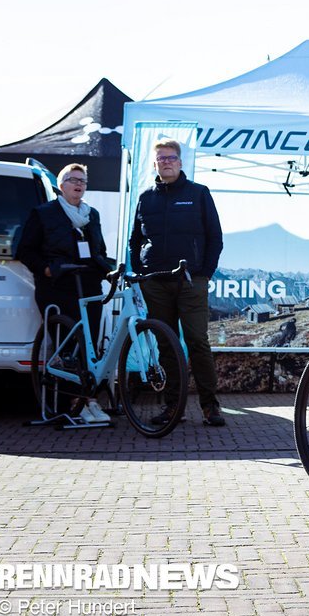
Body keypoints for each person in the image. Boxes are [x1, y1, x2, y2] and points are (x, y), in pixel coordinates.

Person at [129, 139, 226, 427]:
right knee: (166, 344)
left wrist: (204, 273)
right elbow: (135, 240)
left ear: (181, 162)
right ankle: (174, 408)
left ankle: (211, 407)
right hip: (155, 283)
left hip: (190, 280)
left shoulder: (198, 193)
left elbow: (215, 237)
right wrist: (140, 270)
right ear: (155, 164)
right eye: (161, 158)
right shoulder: (146, 198)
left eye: (172, 158)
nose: (167, 162)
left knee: (197, 341)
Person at [17, 163, 114, 423]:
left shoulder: (91, 215)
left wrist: (106, 267)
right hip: (58, 288)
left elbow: (99, 250)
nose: (78, 184)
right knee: (68, 348)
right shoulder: (44, 213)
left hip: (89, 287)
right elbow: (25, 250)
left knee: (90, 347)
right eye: (72, 180)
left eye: (82, 180)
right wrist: (46, 270)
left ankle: (89, 400)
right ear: (61, 186)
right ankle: (74, 402)